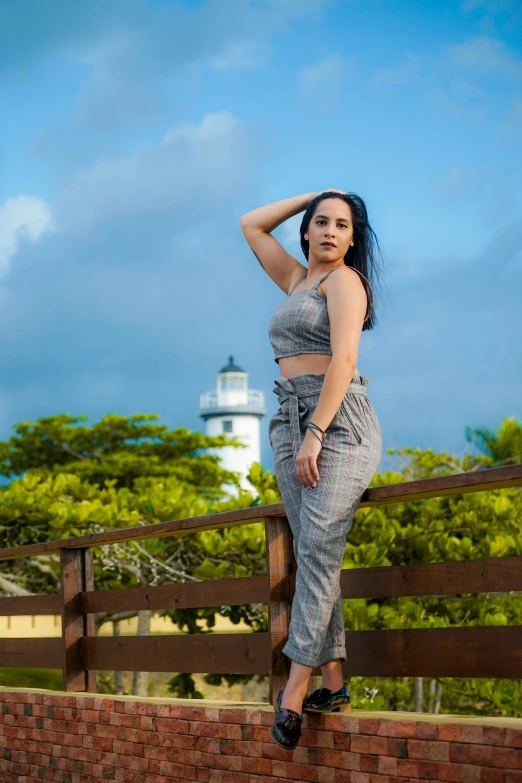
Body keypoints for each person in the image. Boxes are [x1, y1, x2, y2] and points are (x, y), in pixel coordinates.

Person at [239, 190, 384, 750]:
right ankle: (334, 682)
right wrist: (316, 190)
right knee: (314, 555)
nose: (328, 230)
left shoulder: (344, 282)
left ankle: (293, 692)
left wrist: (317, 433)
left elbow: (344, 362)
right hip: (288, 419)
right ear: (305, 231)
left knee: (320, 548)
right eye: (319, 222)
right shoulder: (297, 280)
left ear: (352, 238)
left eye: (341, 224)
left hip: (338, 422)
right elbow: (251, 224)